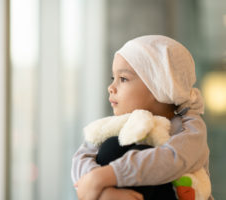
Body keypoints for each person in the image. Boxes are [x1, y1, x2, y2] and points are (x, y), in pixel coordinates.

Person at [71, 35, 213, 200]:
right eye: (113, 78)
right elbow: (82, 156)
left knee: (128, 149)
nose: (111, 87)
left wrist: (108, 175)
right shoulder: (120, 124)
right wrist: (100, 188)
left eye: (123, 79)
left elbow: (171, 158)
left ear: (158, 85)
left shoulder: (189, 126)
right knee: (112, 146)